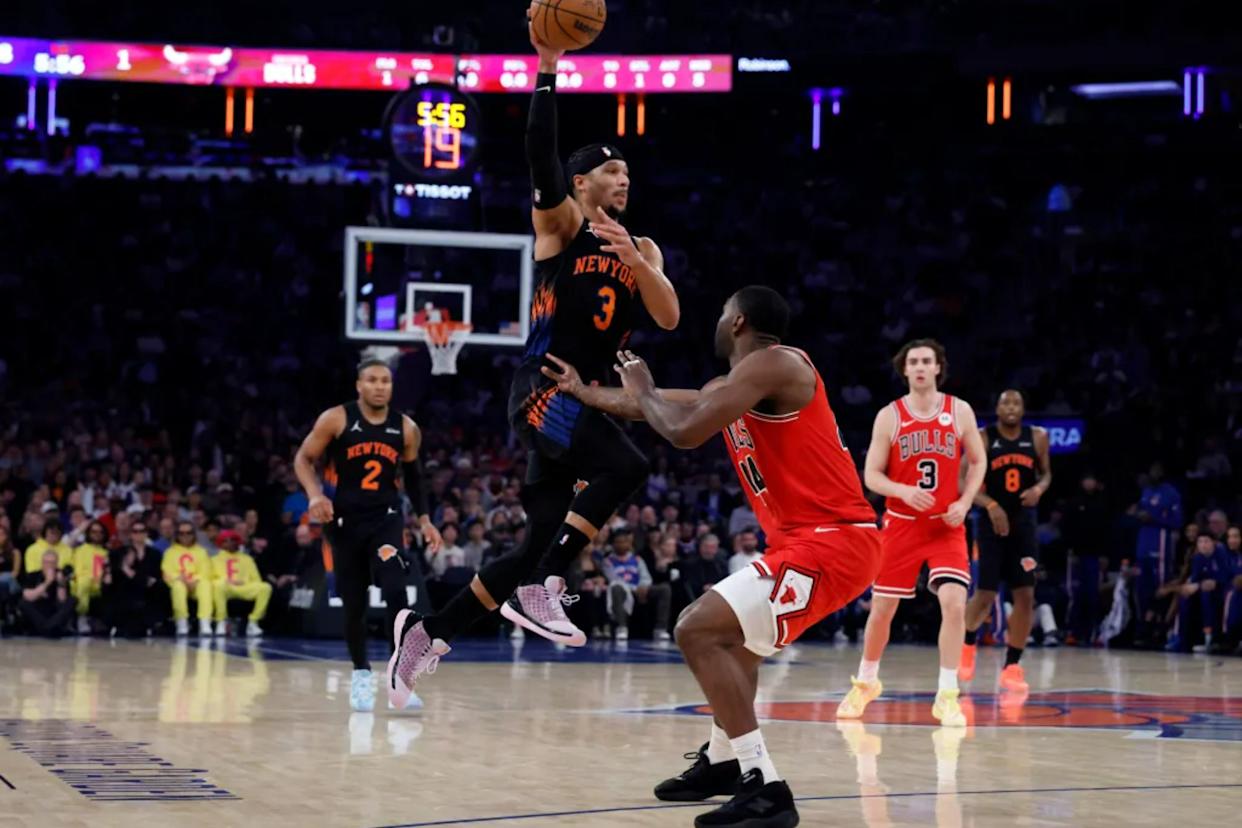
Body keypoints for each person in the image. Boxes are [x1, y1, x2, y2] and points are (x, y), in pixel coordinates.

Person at [385, 14, 680, 705]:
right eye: (611, 170)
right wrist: (548, 65)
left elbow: (668, 316)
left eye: (628, 171)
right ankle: (544, 587)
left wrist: (638, 259)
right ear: (581, 183)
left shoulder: (641, 248)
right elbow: (538, 154)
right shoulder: (561, 225)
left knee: (529, 545)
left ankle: (424, 638)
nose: (624, 178)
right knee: (628, 466)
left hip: (581, 397)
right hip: (543, 389)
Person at [540, 286, 879, 827]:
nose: (717, 323)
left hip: (833, 540)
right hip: (811, 543)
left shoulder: (778, 364)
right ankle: (723, 761)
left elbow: (683, 430)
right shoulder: (732, 387)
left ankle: (764, 785)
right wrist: (583, 391)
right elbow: (653, 408)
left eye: (722, 315)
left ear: (738, 321)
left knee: (695, 630)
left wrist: (643, 383)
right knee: (737, 651)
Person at [837, 339, 987, 728]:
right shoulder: (890, 416)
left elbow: (978, 459)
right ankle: (866, 681)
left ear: (938, 368)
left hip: (946, 525)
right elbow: (871, 475)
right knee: (883, 609)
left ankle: (947, 693)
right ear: (904, 370)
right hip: (901, 524)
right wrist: (903, 491)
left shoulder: (960, 410)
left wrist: (966, 500)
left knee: (955, 602)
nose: (920, 367)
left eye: (927, 361)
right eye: (913, 362)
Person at [294, 358, 442, 713]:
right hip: (343, 520)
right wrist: (315, 496)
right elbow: (303, 459)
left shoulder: (405, 428)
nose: (379, 386)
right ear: (359, 385)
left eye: (386, 381)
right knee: (355, 602)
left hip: (386, 518)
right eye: (372, 380)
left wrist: (424, 520)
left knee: (395, 586)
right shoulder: (337, 418)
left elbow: (414, 478)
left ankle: (399, 677)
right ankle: (361, 673)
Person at [960, 390, 1052, 692]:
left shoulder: (1037, 437)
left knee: (1026, 595)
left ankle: (1012, 665)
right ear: (997, 408)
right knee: (985, 594)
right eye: (1005, 403)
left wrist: (1039, 489)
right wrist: (990, 505)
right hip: (990, 524)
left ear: (1023, 409)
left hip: (1024, 526)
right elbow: (964, 481)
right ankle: (968, 643)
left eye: (1016, 403)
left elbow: (1046, 474)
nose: (1011, 407)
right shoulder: (984, 438)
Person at [211, 530, 272, 638]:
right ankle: (221, 621)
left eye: (232, 540)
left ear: (237, 542)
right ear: (221, 543)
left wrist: (244, 582)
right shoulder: (214, 559)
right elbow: (210, 578)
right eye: (226, 541)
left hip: (245, 587)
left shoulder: (248, 559)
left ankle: (253, 622)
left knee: (265, 587)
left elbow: (256, 579)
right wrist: (226, 580)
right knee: (218, 585)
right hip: (226, 587)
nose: (229, 543)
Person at [161, 520, 214, 637]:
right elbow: (167, 571)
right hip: (179, 582)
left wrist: (194, 580)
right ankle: (181, 622)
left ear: (193, 534)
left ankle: (205, 622)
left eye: (188, 533)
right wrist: (180, 578)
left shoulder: (201, 551)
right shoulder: (170, 552)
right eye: (181, 533)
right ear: (177, 535)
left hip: (196, 584)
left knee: (205, 585)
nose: (185, 536)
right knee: (178, 587)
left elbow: (206, 570)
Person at [19, 549, 75, 637]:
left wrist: (61, 583)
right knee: (23, 602)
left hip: (54, 614)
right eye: (47, 562)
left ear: (56, 564)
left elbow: (62, 602)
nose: (49, 566)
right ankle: (48, 628)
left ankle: (48, 628)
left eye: (52, 563)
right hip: (38, 614)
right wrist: (47, 582)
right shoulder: (33, 575)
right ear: (42, 563)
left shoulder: (60, 575)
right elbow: (28, 596)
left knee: (72, 600)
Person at [71, 520, 112, 634]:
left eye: (100, 532)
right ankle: (82, 617)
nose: (97, 534)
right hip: (80, 585)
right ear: (88, 533)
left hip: (99, 586)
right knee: (83, 582)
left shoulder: (106, 553)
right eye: (93, 532)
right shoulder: (79, 550)